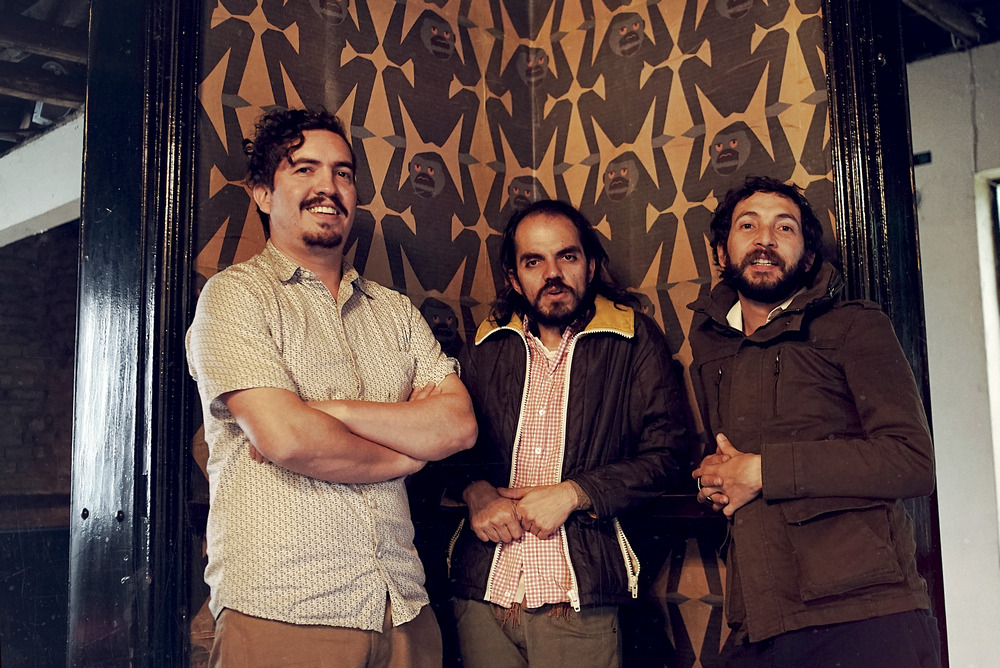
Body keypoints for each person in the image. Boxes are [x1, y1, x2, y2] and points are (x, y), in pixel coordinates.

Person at [185, 107, 478, 667]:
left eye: (342, 172)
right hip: (283, 609)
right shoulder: (234, 296)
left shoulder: (395, 312)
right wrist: (409, 455)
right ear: (263, 194)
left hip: (403, 609)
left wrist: (326, 411)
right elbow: (288, 439)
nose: (329, 186)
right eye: (304, 169)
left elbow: (457, 425)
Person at [688, 175, 941, 667]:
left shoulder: (855, 324)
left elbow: (911, 461)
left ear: (806, 258)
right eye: (747, 225)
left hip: (866, 616)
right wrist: (715, 480)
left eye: (784, 227)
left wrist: (763, 471)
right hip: (759, 618)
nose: (765, 239)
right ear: (721, 251)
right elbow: (734, 461)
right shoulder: (711, 346)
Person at [447, 199, 688, 667]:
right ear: (514, 277)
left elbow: (667, 456)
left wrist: (575, 493)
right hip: (483, 589)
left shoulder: (634, 337)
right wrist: (475, 492)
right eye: (533, 261)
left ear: (590, 265)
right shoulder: (485, 343)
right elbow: (448, 446)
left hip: (577, 594)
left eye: (567, 256)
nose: (552, 274)